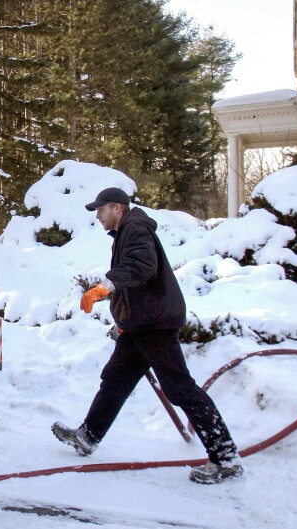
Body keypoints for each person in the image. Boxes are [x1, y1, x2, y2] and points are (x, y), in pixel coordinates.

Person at [52, 187, 243, 484]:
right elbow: (137, 284)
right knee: (115, 378)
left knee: (180, 388)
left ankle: (226, 458)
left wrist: (106, 287)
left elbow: (142, 268)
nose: (97, 215)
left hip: (155, 324)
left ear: (117, 207)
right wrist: (124, 318)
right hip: (140, 324)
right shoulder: (127, 231)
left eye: (100, 209)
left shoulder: (135, 228)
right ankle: (88, 436)